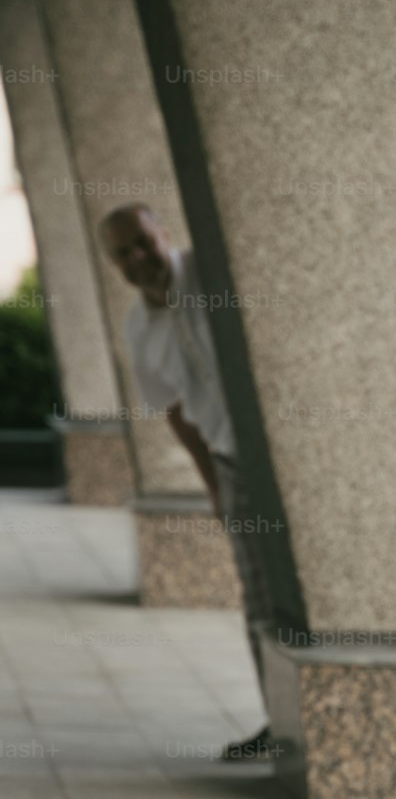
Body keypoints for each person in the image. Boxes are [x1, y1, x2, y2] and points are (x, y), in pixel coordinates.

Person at [99, 203, 274, 761]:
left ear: (164, 234)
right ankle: (283, 722)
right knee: (259, 598)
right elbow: (174, 409)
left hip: (278, 452)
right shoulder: (137, 326)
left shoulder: (210, 272)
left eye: (143, 242)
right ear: (113, 263)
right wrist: (214, 486)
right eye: (123, 253)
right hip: (230, 461)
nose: (138, 258)